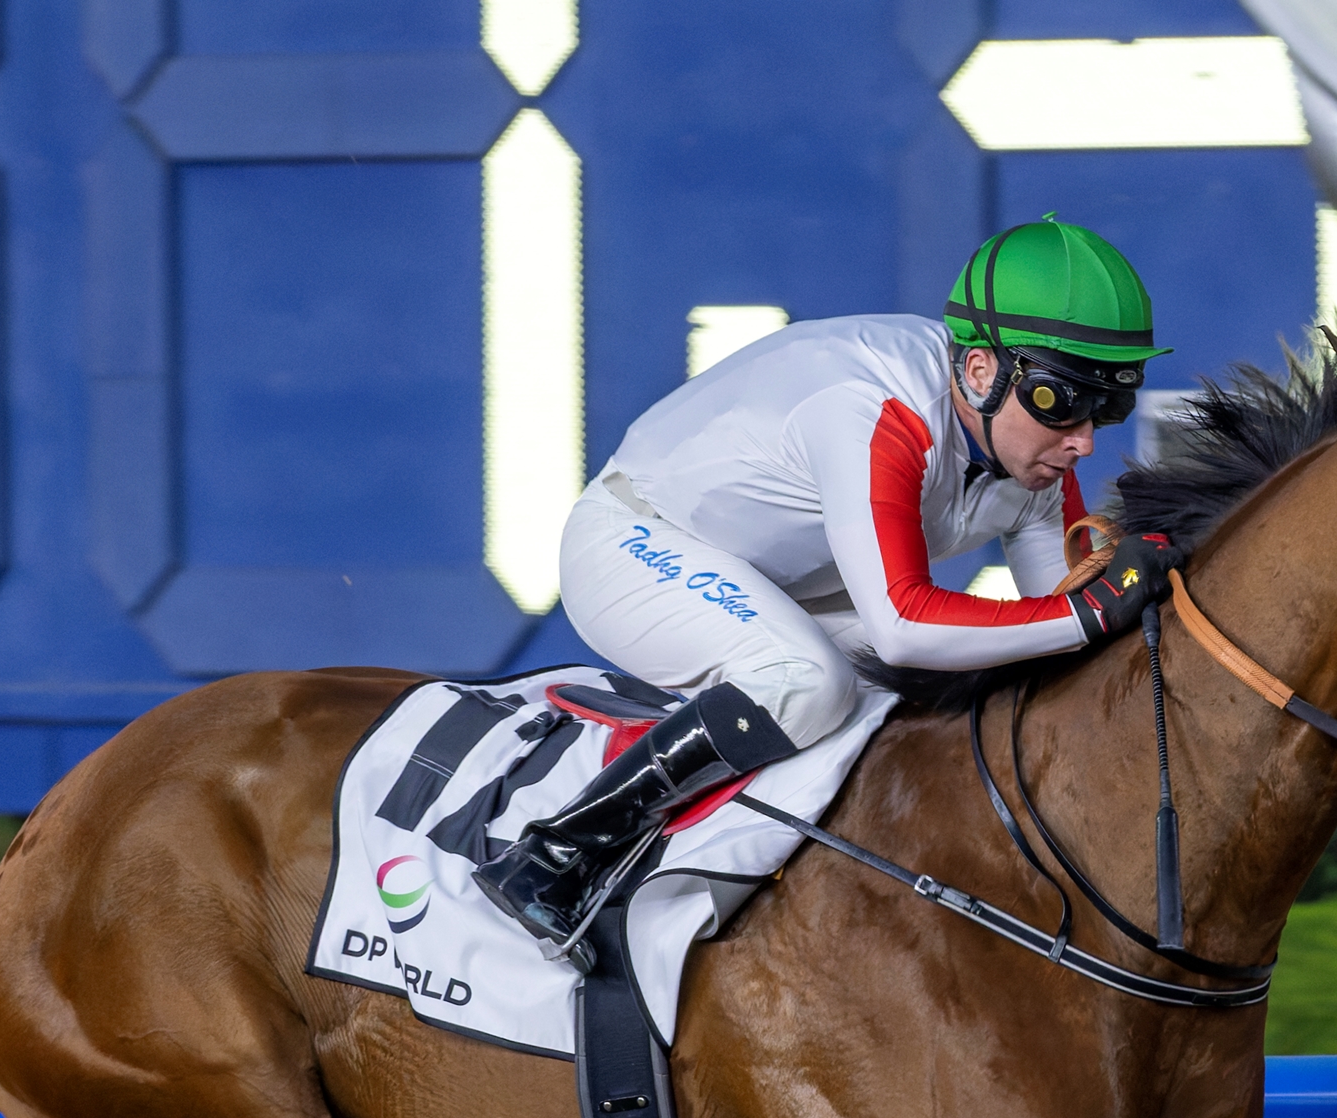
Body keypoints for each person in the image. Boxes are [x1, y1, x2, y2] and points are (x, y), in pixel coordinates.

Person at [474, 215, 1186, 954]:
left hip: (782, 582)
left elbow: (1066, 634)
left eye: (1107, 407)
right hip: (635, 541)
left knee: (935, 688)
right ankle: (555, 855)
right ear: (980, 371)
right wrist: (1095, 609)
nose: (1083, 440)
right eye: (1059, 401)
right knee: (807, 680)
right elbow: (906, 624)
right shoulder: (879, 409)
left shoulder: (1029, 455)